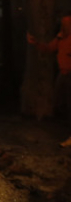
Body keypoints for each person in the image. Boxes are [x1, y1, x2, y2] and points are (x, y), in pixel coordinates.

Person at [28, 14, 71, 147]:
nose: (64, 26)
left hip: (69, 74)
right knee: (60, 102)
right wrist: (36, 43)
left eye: (67, 24)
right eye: (63, 24)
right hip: (63, 73)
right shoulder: (60, 37)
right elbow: (49, 48)